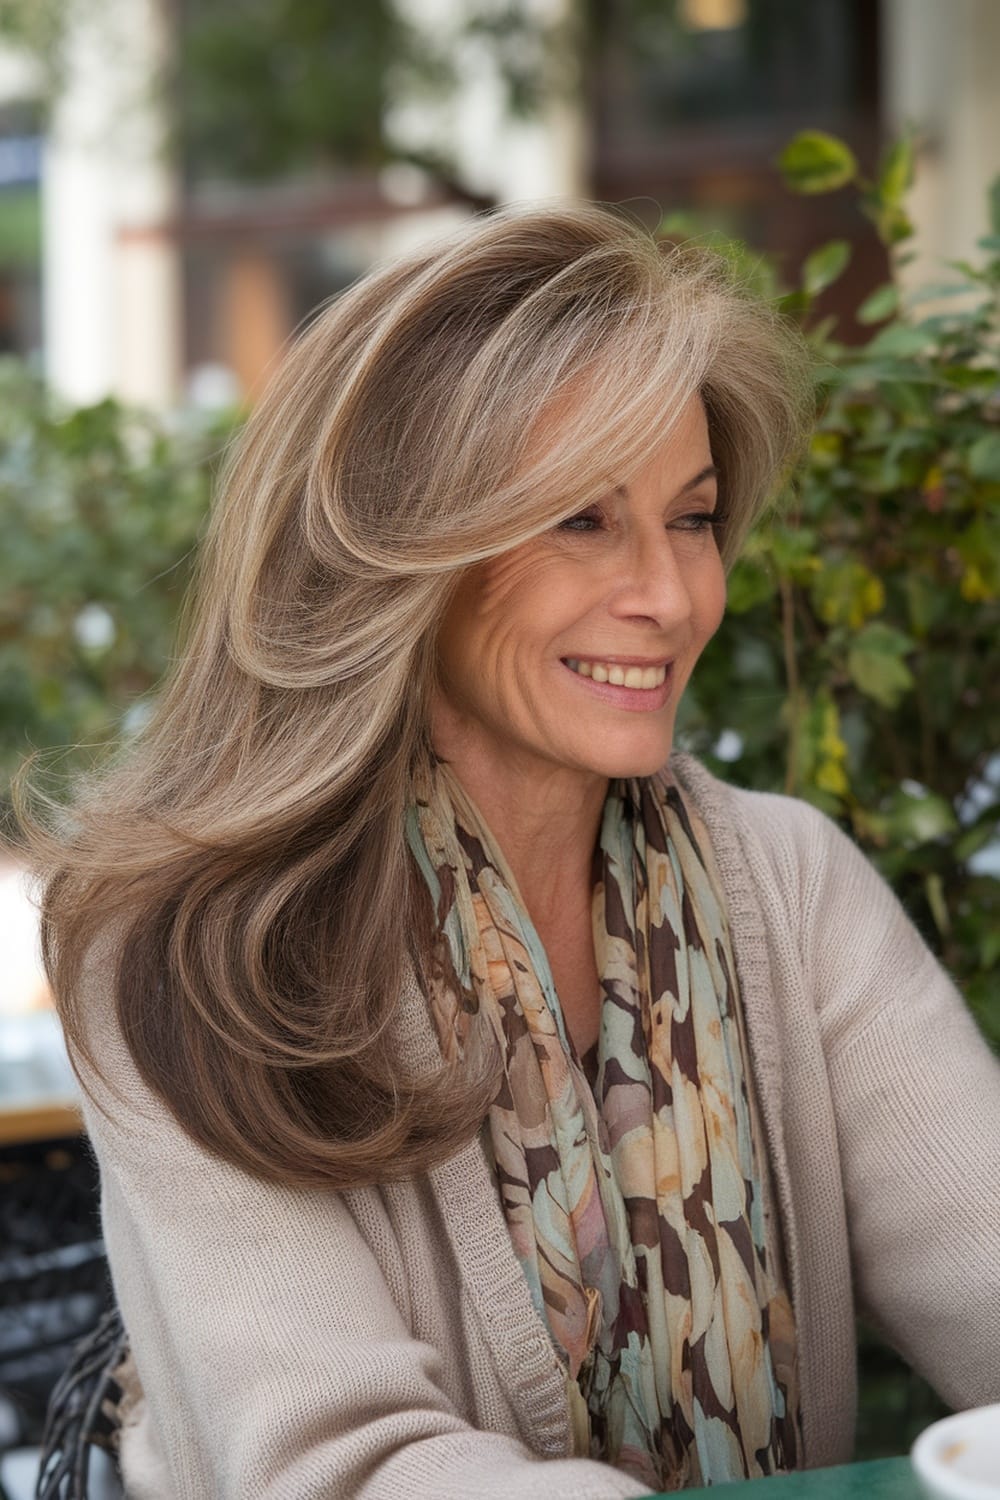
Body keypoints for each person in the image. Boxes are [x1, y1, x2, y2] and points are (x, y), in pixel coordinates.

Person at [29, 204, 1000, 1499]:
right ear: (400, 553)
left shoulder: (789, 883)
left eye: (693, 518)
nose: (668, 594)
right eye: (581, 521)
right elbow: (344, 1470)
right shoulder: (191, 952)